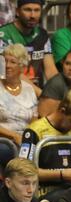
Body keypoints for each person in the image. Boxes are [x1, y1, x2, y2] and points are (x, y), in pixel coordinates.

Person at [19, 89, 71, 199]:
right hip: (45, 192)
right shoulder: (35, 131)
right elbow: (24, 172)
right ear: (62, 110)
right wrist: (62, 175)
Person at [0, 0, 58, 93]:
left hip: (37, 92)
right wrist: (40, 94)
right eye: (27, 10)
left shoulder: (42, 35)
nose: (32, 15)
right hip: (10, 93)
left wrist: (61, 92)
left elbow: (50, 70)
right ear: (17, 12)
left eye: (37, 10)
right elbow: (7, 71)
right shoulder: (3, 35)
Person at [0, 43, 38, 174]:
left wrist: (28, 138)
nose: (8, 65)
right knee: (6, 150)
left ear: (22, 67)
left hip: (25, 139)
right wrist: (14, 136)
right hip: (4, 140)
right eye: (5, 61)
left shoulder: (29, 89)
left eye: (13, 62)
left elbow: (34, 119)